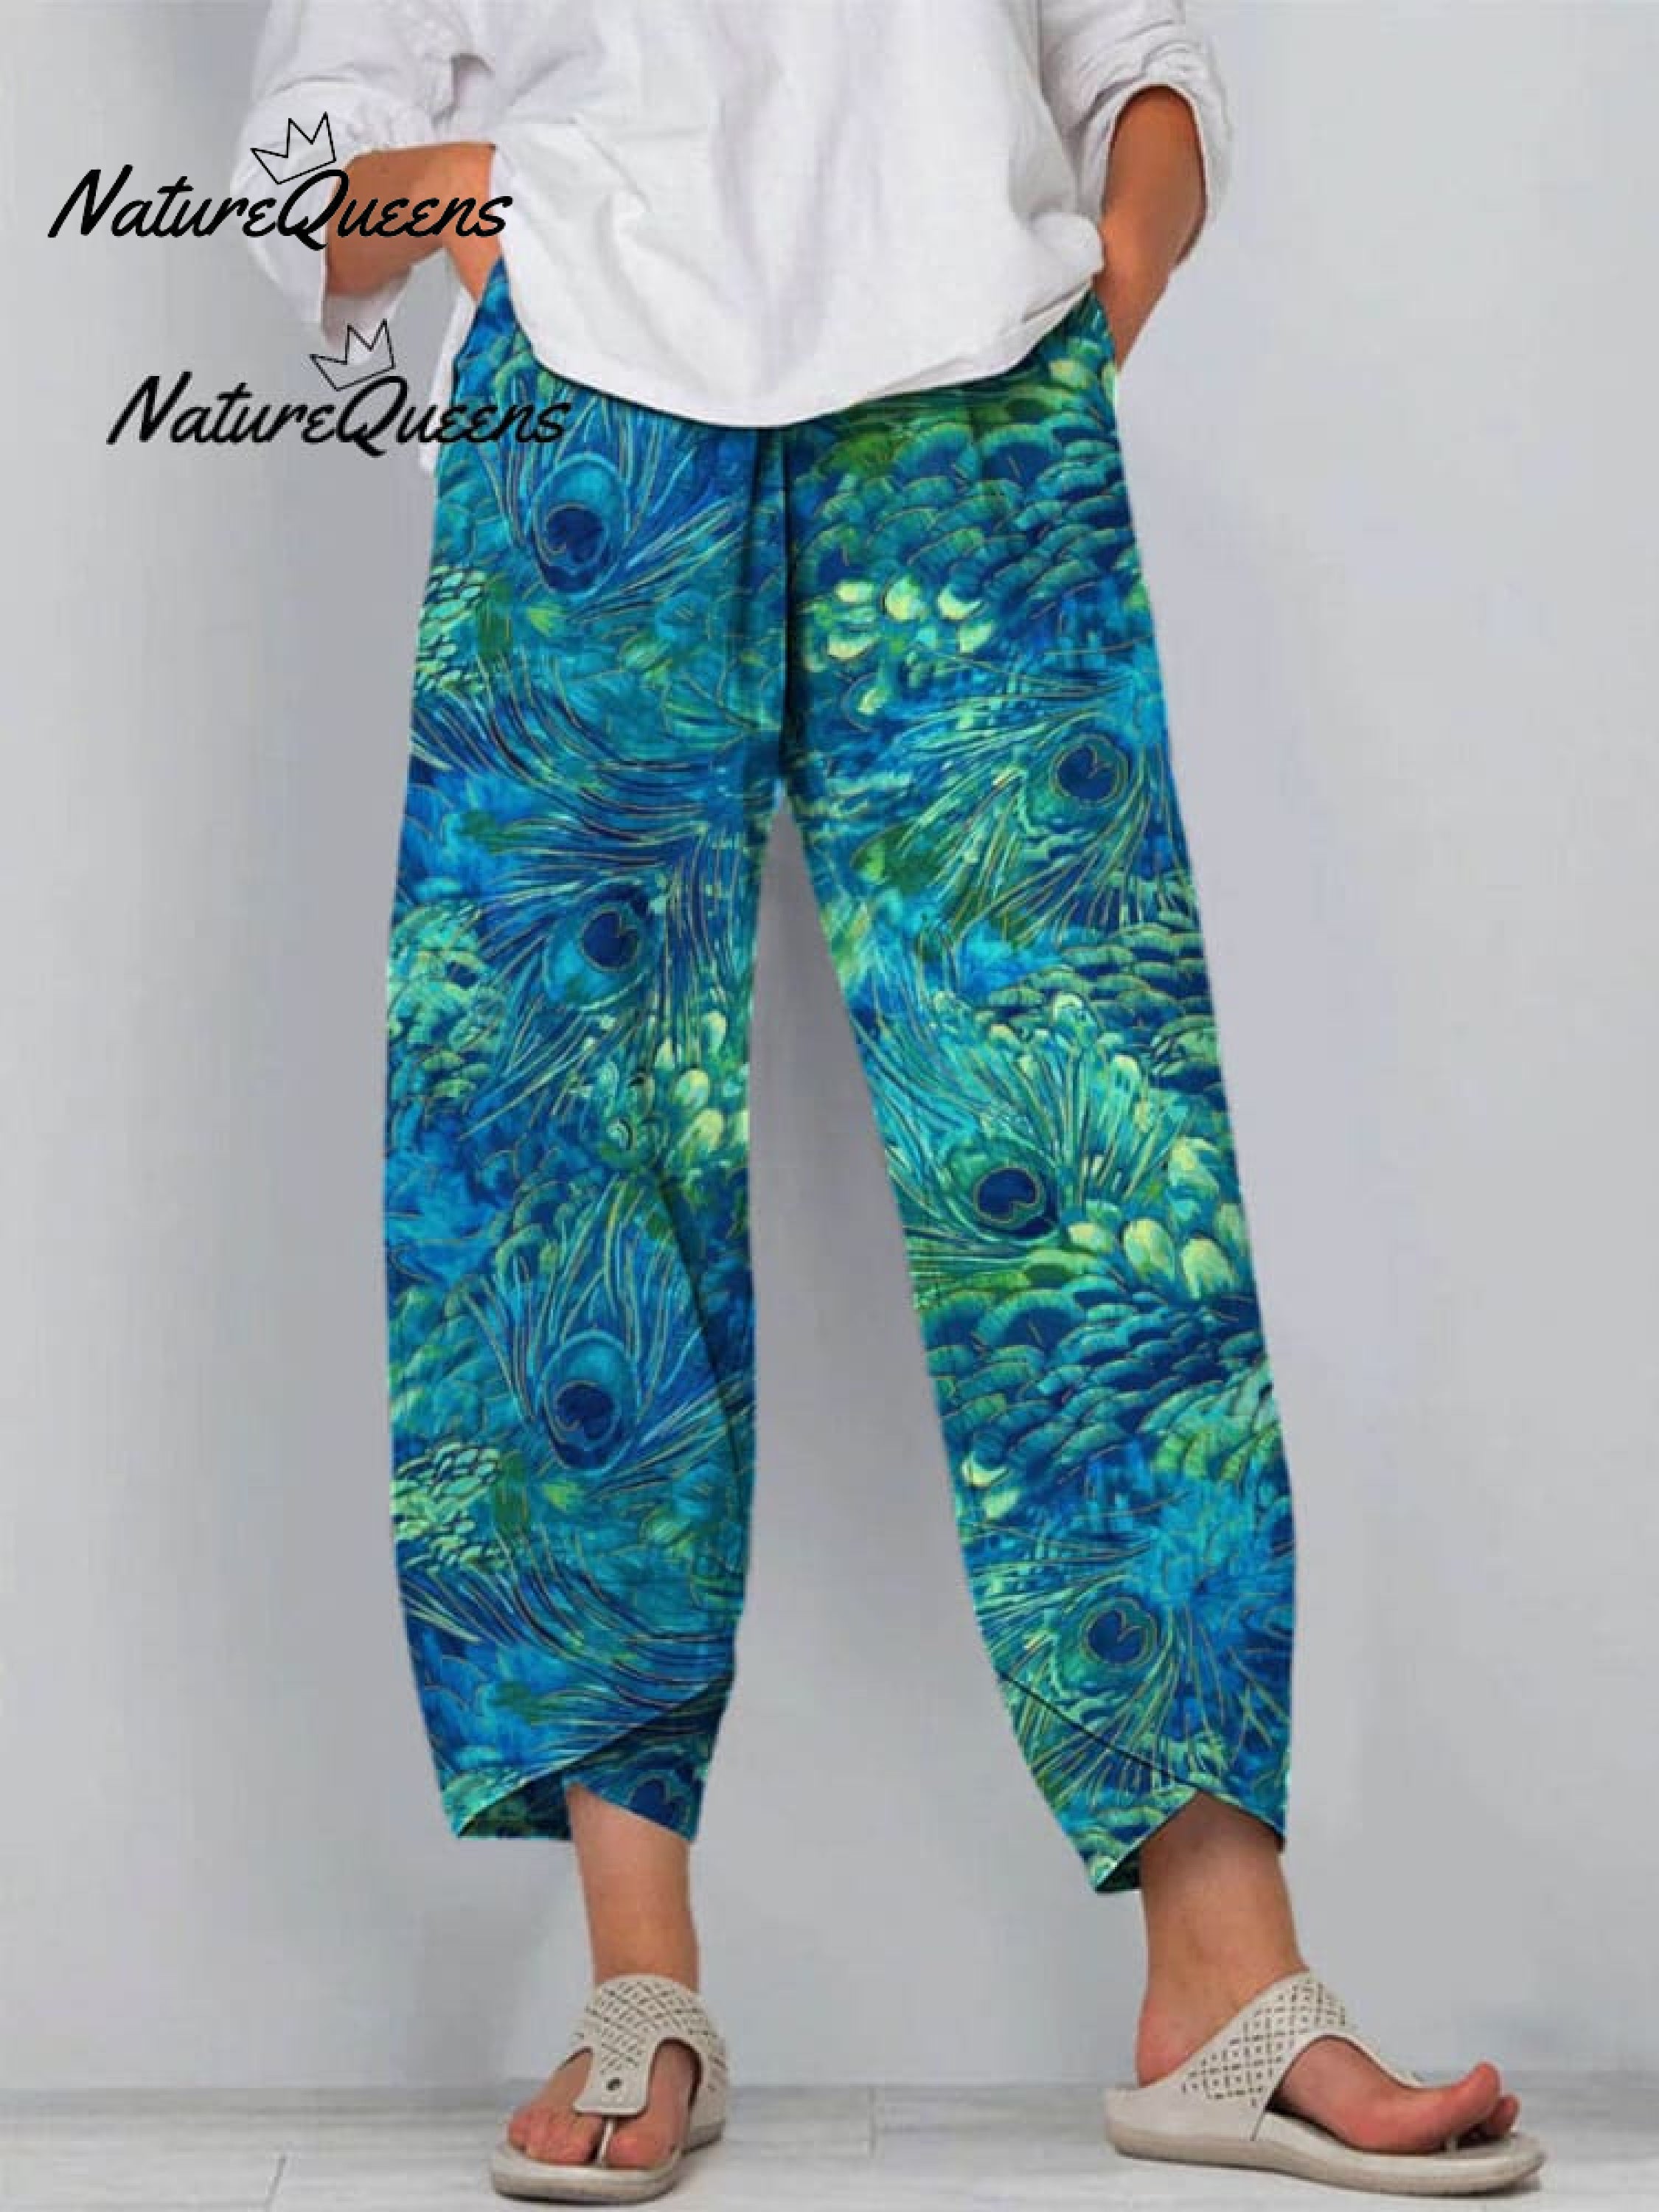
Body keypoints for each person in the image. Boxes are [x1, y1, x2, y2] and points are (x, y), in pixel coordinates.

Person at [232, 3, 1545, 2201]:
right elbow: (307, 174)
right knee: (567, 1182)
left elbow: (1137, 52)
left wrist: (1109, 273)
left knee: (1091, 1159)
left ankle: (1223, 1981)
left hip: (976, 405)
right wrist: (489, 193)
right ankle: (639, 1983)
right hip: (594, 412)